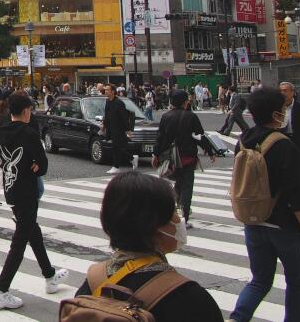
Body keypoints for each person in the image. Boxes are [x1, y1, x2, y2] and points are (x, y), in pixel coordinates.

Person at [74, 171, 224, 320]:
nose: (179, 220)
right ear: (155, 225)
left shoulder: (92, 284)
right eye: (175, 211)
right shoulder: (190, 299)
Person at [230, 89, 300, 322]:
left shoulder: (243, 141)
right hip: (285, 226)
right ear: (276, 113)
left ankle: (238, 318)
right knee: (295, 281)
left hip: (254, 221)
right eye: (283, 109)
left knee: (260, 280)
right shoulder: (284, 145)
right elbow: (297, 192)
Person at [0, 93, 67, 309]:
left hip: (11, 189)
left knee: (33, 231)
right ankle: (1, 289)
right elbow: (42, 165)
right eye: (30, 109)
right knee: (21, 239)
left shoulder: (1, 132)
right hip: (27, 190)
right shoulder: (30, 134)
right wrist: (34, 164)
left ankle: (50, 276)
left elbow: (5, 160)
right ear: (25, 111)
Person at [152, 91, 216, 228]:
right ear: (184, 102)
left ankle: (174, 209)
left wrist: (155, 155)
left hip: (171, 157)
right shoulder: (191, 117)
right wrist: (210, 151)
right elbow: (200, 136)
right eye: (187, 100)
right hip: (187, 156)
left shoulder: (166, 117)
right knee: (187, 185)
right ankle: (184, 217)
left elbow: (160, 138)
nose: (188, 102)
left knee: (179, 182)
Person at [279, 81, 300, 178]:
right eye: (280, 91)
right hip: (283, 142)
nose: (282, 93)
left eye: (285, 91)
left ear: (292, 92)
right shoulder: (276, 109)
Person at [103, 84, 134, 174]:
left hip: (119, 129)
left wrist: (128, 130)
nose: (105, 91)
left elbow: (124, 118)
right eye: (105, 90)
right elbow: (107, 114)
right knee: (116, 147)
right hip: (111, 128)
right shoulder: (108, 101)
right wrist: (104, 125)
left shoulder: (119, 103)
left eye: (107, 90)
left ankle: (120, 164)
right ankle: (122, 163)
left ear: (113, 91)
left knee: (117, 147)